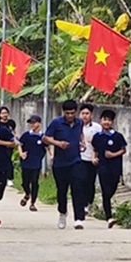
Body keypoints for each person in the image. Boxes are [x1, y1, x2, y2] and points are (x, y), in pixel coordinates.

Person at [43, 99, 87, 230]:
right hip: (60, 163)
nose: (70, 116)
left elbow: (80, 134)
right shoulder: (57, 123)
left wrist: (82, 142)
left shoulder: (79, 122)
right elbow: (45, 138)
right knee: (62, 191)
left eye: (72, 113)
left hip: (76, 161)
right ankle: (62, 212)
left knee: (77, 188)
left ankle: (78, 218)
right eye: (67, 113)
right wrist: (58, 143)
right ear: (63, 112)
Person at [92, 109, 128, 228]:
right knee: (105, 192)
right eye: (104, 120)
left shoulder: (117, 136)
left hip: (115, 168)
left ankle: (106, 207)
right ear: (100, 121)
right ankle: (109, 217)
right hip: (102, 168)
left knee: (112, 189)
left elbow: (123, 150)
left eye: (109, 120)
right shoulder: (97, 137)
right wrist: (94, 158)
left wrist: (113, 155)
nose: (106, 122)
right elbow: (95, 150)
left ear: (112, 122)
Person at [18, 115, 46, 211]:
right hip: (26, 162)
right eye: (31, 123)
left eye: (34, 122)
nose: (32, 125)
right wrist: (21, 153)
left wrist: (52, 155)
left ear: (39, 123)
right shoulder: (26, 135)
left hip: (36, 163)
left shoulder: (42, 137)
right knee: (25, 182)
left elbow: (48, 146)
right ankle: (27, 194)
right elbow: (19, 145)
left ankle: (33, 203)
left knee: (34, 182)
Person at [78, 103, 102, 215]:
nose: (85, 116)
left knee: (90, 182)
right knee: (80, 181)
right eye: (83, 113)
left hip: (92, 159)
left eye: (87, 113)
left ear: (91, 115)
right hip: (79, 158)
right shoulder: (76, 126)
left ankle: (89, 202)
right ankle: (82, 204)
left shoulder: (97, 128)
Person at [0, 106, 16, 185]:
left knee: (8, 160)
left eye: (6, 113)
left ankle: (9, 178)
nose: (4, 115)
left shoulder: (11, 123)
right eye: (2, 113)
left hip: (9, 145)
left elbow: (14, 132)